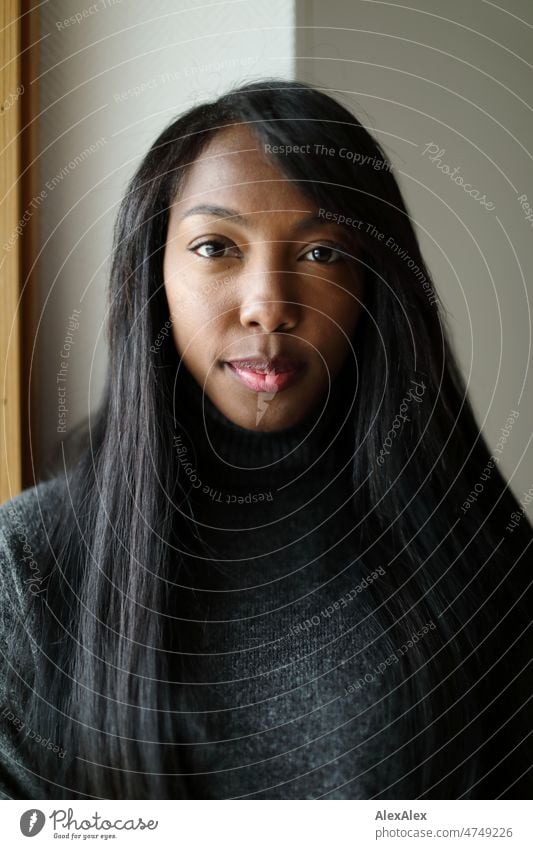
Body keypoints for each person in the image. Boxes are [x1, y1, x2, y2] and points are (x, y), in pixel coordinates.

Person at [0, 79, 531, 800]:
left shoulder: (478, 547)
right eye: (216, 246)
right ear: (151, 270)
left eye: (320, 253)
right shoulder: (29, 559)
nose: (269, 306)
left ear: (374, 283)